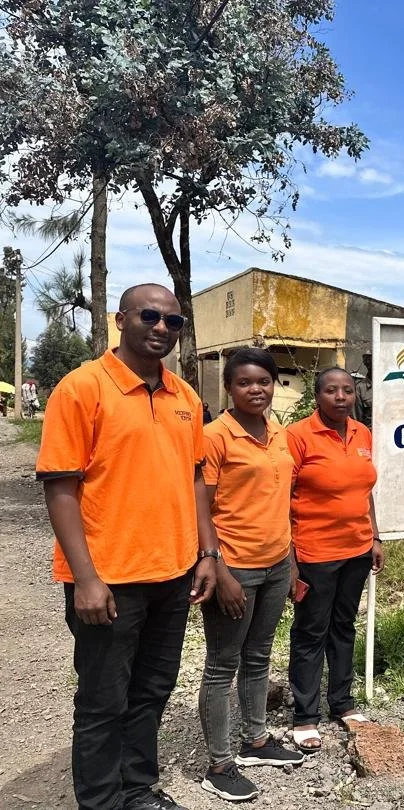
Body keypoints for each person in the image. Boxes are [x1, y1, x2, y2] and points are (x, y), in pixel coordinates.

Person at [37, 283, 219, 810]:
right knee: (103, 701)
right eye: (149, 316)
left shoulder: (186, 398)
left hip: (173, 573)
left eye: (173, 321)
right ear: (121, 320)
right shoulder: (82, 388)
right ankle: (100, 802)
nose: (161, 328)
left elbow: (195, 478)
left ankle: (138, 790)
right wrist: (85, 579)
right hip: (109, 578)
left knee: (152, 690)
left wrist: (207, 553)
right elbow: (60, 486)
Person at [198, 348, 304, 802]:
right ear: (229, 387)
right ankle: (219, 766)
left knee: (259, 655)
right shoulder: (215, 436)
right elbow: (200, 506)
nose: (256, 389)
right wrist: (217, 567)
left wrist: (290, 560)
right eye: (244, 382)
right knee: (222, 664)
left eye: (264, 381)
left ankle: (255, 741)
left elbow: (280, 501)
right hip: (235, 566)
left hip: (277, 562)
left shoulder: (278, 432)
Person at [287, 367, 384, 751]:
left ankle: (342, 703)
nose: (341, 397)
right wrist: (289, 557)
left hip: (356, 551)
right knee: (311, 631)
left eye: (347, 390)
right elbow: (281, 495)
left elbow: (365, 490)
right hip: (315, 553)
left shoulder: (362, 433)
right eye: (331, 390)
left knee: (344, 627)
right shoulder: (298, 436)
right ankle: (305, 715)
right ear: (317, 396)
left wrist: (374, 536)